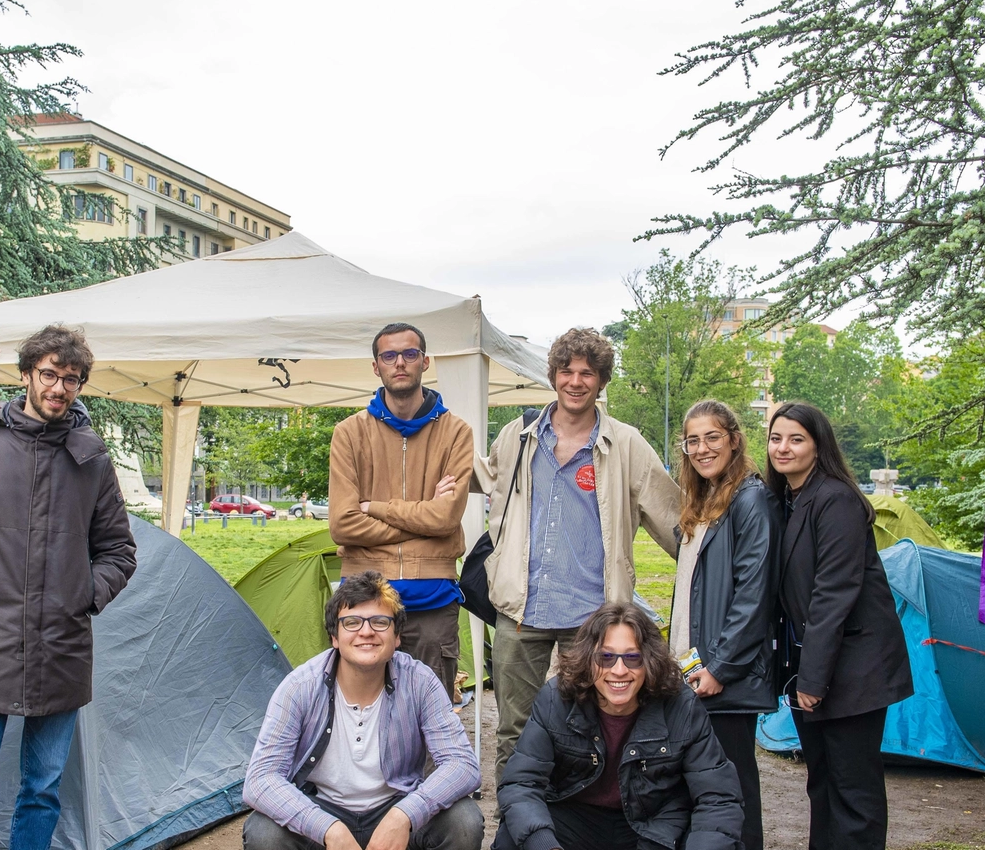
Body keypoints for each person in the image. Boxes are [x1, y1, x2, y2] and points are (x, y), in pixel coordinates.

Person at [0, 325, 138, 850]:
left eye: (72, 379)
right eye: (49, 375)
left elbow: (119, 552)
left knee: (41, 788)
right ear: (26, 374)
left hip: (61, 647)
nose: (59, 388)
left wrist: (82, 593)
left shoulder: (92, 459)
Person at [475, 327, 680, 777]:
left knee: (593, 728)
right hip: (521, 610)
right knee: (515, 730)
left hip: (594, 617)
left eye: (587, 373)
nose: (575, 381)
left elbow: (675, 520)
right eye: (566, 371)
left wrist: (716, 565)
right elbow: (487, 478)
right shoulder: (518, 435)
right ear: (552, 375)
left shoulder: (625, 444)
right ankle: (517, 825)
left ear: (602, 381)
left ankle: (583, 822)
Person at [243, 570, 484, 850]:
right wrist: (327, 829)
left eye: (380, 622)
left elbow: (462, 765)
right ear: (334, 637)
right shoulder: (299, 687)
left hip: (396, 808)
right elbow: (261, 779)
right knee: (264, 832)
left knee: (463, 820)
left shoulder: (420, 681)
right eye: (352, 622)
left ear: (396, 637)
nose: (366, 631)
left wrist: (405, 814)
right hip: (321, 811)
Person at [767, 401, 913, 850]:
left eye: (796, 439)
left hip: (852, 666)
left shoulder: (836, 499)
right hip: (813, 663)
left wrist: (812, 678)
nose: (783, 448)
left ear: (818, 445)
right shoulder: (789, 499)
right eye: (776, 438)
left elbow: (833, 594)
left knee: (853, 789)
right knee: (823, 781)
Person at [495, 602, 743, 850]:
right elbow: (521, 783)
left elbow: (718, 797)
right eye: (606, 657)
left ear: (649, 660)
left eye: (633, 658)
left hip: (655, 826)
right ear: (588, 659)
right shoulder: (556, 699)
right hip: (573, 819)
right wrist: (546, 846)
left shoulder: (681, 706)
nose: (619, 670)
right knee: (515, 837)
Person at [329, 322, 475, 702]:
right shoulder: (349, 433)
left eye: (410, 354)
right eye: (389, 355)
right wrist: (425, 520)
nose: (400, 362)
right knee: (360, 714)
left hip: (433, 604)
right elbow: (343, 525)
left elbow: (446, 520)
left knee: (428, 721)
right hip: (363, 600)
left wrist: (375, 508)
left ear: (425, 361)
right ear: (376, 366)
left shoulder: (457, 432)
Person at [670, 400, 782, 850]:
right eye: (693, 440)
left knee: (732, 785)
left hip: (726, 675)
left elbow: (754, 595)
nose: (702, 448)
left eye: (712, 437)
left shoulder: (750, 499)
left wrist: (720, 667)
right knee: (701, 782)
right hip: (696, 668)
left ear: (734, 439)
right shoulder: (702, 501)